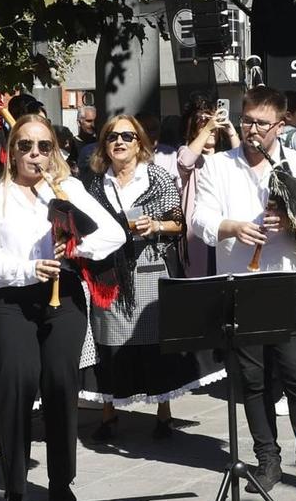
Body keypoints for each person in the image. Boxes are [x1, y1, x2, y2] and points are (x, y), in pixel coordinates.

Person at [0, 112, 123, 501]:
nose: (34, 154)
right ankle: (15, 488)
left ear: (53, 151)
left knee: (60, 385)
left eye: (43, 146)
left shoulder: (67, 188)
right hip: (15, 300)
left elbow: (114, 233)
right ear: (11, 152)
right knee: (16, 385)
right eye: (25, 146)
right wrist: (29, 269)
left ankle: (60, 483)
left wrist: (76, 248)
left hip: (65, 296)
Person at [192, 86, 296, 489]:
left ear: (281, 124)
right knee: (253, 379)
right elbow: (199, 219)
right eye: (247, 121)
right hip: (242, 286)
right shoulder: (218, 166)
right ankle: (267, 459)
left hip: (291, 285)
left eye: (261, 122)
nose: (252, 129)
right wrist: (232, 227)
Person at [81, 114, 219, 438]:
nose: (119, 142)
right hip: (110, 271)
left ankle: (163, 412)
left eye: (127, 136)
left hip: (149, 265)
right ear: (104, 144)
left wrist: (154, 225)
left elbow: (179, 223)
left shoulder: (155, 176)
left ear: (139, 142)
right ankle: (108, 412)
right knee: (110, 341)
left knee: (155, 341)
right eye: (112, 137)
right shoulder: (96, 183)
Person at [165, 95, 232, 280]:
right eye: (202, 122)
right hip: (198, 236)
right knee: (201, 282)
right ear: (192, 128)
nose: (210, 128)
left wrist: (231, 131)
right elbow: (185, 162)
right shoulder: (187, 153)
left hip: (226, 230)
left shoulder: (228, 158)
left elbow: (246, 166)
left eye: (212, 122)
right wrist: (207, 128)